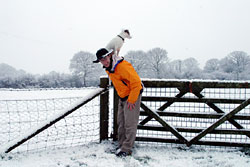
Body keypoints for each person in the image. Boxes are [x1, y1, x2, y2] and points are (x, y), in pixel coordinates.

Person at [93, 48, 143, 157]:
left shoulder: (122, 66)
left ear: (110, 56)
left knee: (130, 124)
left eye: (105, 58)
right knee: (121, 123)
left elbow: (137, 83)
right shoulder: (109, 68)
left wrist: (132, 99)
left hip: (132, 95)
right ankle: (121, 145)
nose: (104, 62)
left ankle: (127, 148)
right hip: (122, 97)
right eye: (101, 60)